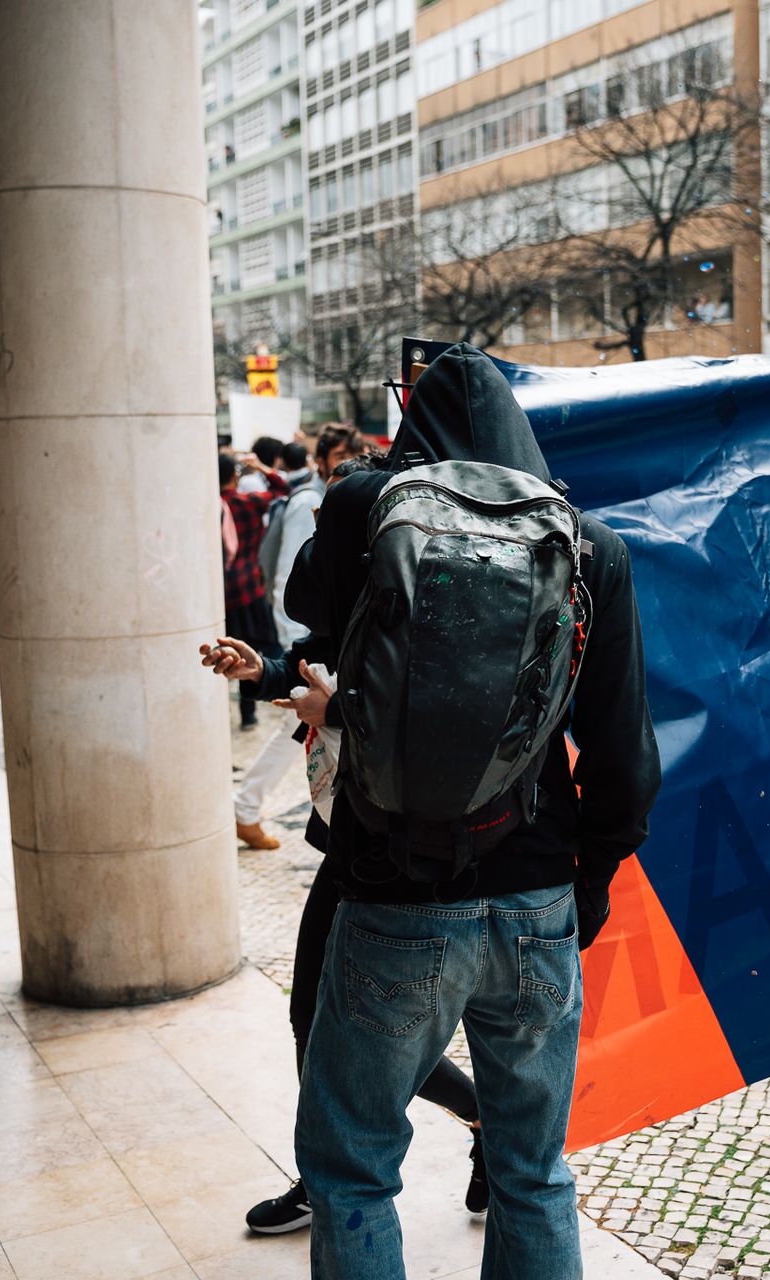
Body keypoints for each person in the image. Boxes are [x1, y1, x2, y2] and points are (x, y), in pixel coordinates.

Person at [278, 344, 659, 1276]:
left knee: (356, 1169)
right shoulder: (589, 544)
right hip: (537, 899)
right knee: (532, 1170)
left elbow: (305, 612)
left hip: (394, 894)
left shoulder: (365, 508)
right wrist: (594, 876)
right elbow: (624, 755)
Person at [202, 460, 493, 1235]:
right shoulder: (356, 591)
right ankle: (329, 1166)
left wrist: (340, 710)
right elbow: (320, 665)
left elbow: (419, 722)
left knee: (379, 1032)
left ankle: (457, 1132)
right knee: (312, 1016)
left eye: (333, 526)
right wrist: (261, 669)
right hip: (350, 844)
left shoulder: (429, 598)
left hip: (410, 856)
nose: (315, 542)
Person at [230, 438, 330, 852]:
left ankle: (245, 807)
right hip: (309, 651)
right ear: (319, 461)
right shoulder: (306, 503)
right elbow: (291, 574)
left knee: (292, 732)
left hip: (310, 651)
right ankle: (244, 807)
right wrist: (292, 650)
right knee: (295, 729)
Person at [218, 448, 288, 733]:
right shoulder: (248, 503)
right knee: (256, 648)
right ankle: (255, 708)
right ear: (235, 476)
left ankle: (241, 716)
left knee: (230, 651)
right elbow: (283, 490)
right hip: (250, 586)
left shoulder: (208, 506)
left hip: (223, 592)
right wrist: (261, 467)